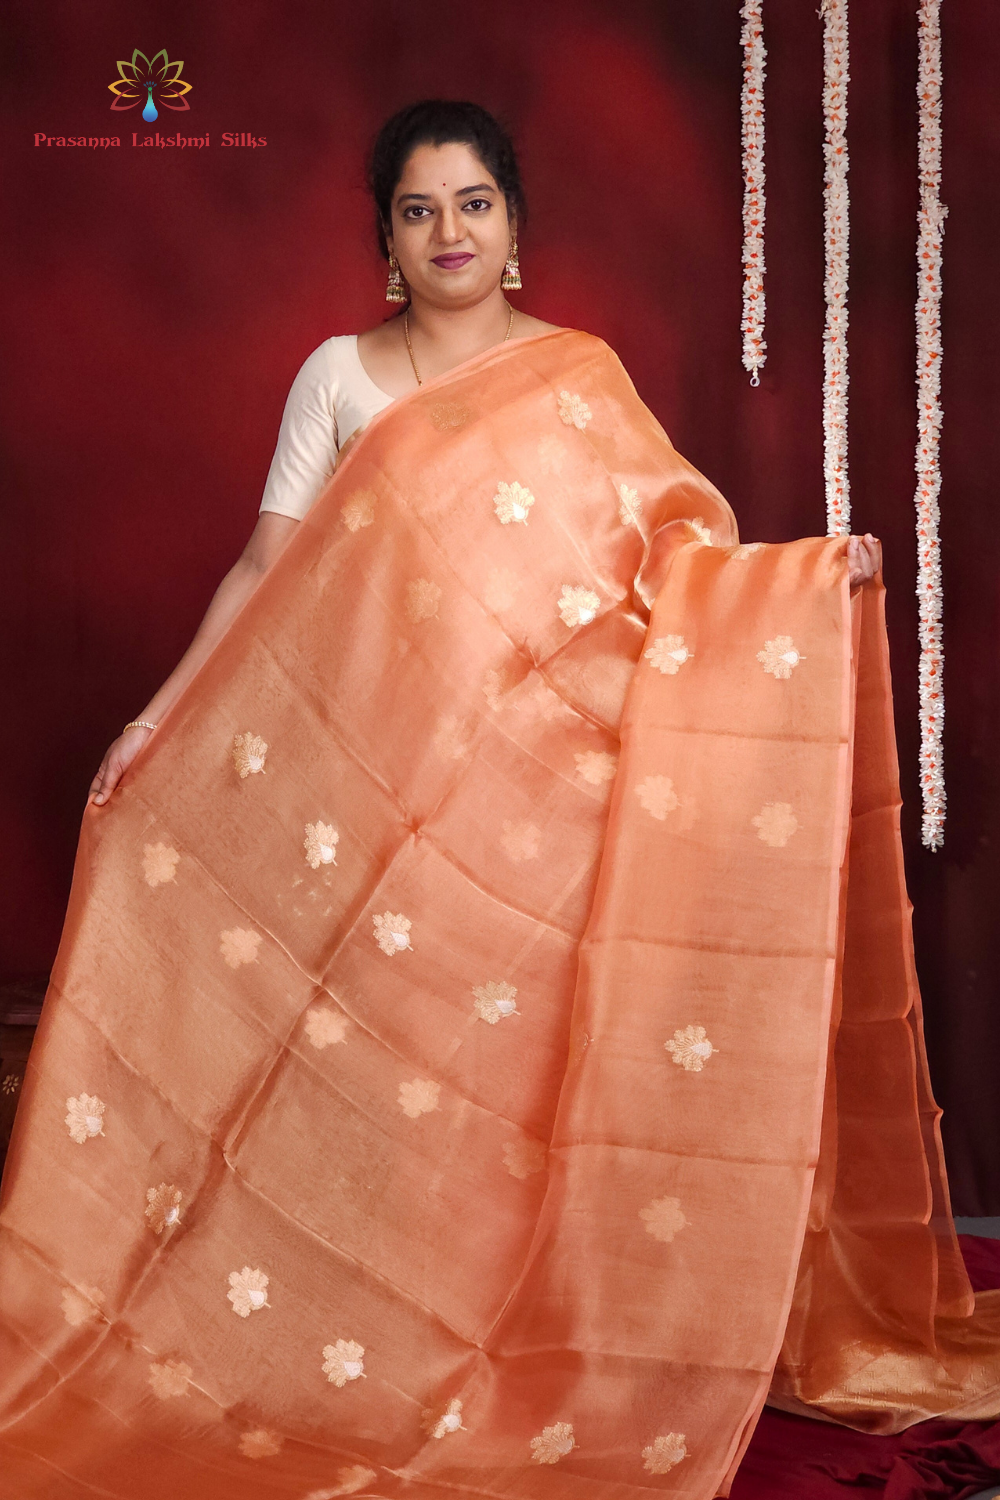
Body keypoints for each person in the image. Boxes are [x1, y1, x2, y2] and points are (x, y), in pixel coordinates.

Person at [1, 100, 996, 1500]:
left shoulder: (575, 377)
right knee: (379, 1079)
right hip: (367, 791)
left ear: (514, 225)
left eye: (473, 204)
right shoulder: (339, 376)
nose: (448, 232)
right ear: (386, 240)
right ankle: (370, 1343)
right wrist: (157, 720)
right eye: (418, 211)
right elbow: (264, 567)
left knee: (509, 1092)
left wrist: (799, 584)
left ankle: (534, 1345)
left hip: (542, 810)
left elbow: (672, 568)